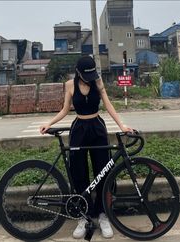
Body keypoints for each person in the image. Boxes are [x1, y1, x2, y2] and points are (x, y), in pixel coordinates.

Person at [40, 55, 133, 239]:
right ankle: (84, 216)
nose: (89, 79)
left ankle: (103, 214)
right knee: (78, 173)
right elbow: (65, 109)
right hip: (78, 131)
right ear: (78, 72)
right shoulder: (69, 85)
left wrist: (121, 125)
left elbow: (108, 104)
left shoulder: (97, 82)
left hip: (98, 129)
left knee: (104, 172)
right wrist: (49, 123)